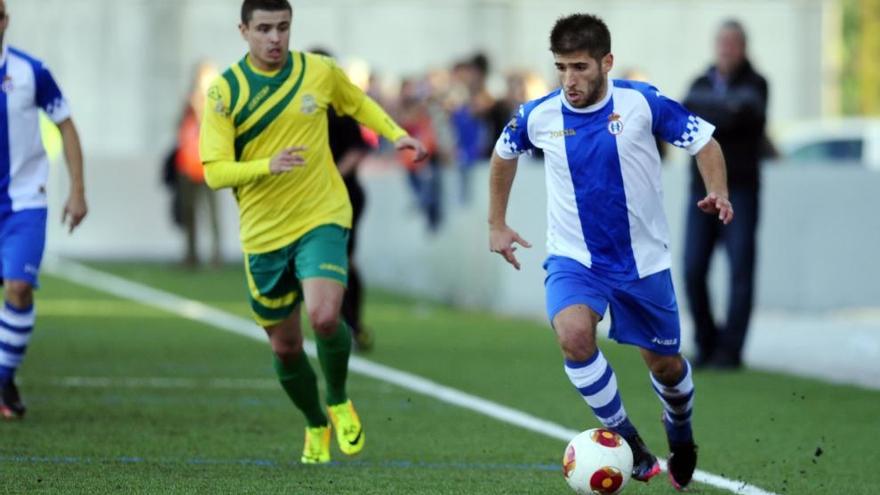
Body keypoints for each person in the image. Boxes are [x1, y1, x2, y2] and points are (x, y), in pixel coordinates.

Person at [488, 14, 733, 490]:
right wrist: (496, 223)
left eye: (579, 67)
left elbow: (704, 141)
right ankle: (628, 441)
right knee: (574, 337)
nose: (569, 80)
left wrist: (717, 191)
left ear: (607, 63)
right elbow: (503, 154)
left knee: (665, 366)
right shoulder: (539, 115)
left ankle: (680, 432)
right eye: (561, 67)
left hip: (643, 262)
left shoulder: (642, 102)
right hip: (574, 259)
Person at [198, 0, 426, 464]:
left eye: (283, 27)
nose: (275, 38)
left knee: (324, 318)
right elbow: (215, 172)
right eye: (264, 29)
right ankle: (314, 422)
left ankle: (339, 399)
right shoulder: (225, 92)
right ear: (243, 30)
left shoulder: (317, 71)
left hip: (321, 214)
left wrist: (395, 132)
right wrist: (267, 165)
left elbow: (356, 101)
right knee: (285, 348)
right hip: (263, 235)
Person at [0, 0, 87, 419]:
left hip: (24, 204)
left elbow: (66, 125)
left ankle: (2, 376)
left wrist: (78, 191)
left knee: (17, 287)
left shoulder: (31, 71)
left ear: (5, 21)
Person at [682, 20, 768, 369]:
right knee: (691, 269)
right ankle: (707, 343)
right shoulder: (699, 82)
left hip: (741, 191)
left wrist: (710, 117)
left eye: (732, 44)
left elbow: (743, 117)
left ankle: (731, 351)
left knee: (740, 271)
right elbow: (686, 116)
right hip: (700, 192)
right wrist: (724, 112)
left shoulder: (757, 84)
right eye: (722, 43)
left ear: (743, 47)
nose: (726, 50)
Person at [309, 46, 375, 351]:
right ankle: (333, 321)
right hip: (313, 197)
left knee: (343, 259)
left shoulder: (340, 105)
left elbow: (359, 148)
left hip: (345, 195)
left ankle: (353, 323)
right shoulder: (303, 106)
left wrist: (332, 176)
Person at [170, 61, 222, 268]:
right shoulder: (188, 103)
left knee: (212, 214)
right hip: (188, 165)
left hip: (209, 166)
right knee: (189, 213)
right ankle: (191, 254)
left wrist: (201, 108)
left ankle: (216, 256)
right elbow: (179, 129)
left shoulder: (216, 102)